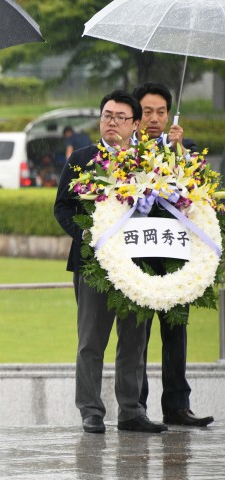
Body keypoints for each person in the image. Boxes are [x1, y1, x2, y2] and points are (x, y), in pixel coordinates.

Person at [54, 90, 167, 434]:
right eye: (106, 115)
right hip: (93, 265)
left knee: (134, 339)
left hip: (139, 263)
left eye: (120, 117)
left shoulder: (150, 162)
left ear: (135, 124)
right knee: (91, 339)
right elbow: (62, 207)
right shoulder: (82, 159)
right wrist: (87, 235)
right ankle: (90, 410)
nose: (112, 122)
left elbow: (167, 208)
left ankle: (131, 410)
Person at [131, 82, 213, 427]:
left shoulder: (184, 148)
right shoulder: (125, 155)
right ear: (136, 116)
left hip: (176, 255)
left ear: (169, 115)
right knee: (137, 336)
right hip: (137, 257)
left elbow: (199, 194)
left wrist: (179, 152)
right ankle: (135, 407)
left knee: (175, 332)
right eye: (147, 112)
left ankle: (178, 406)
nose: (153, 119)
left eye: (160, 112)